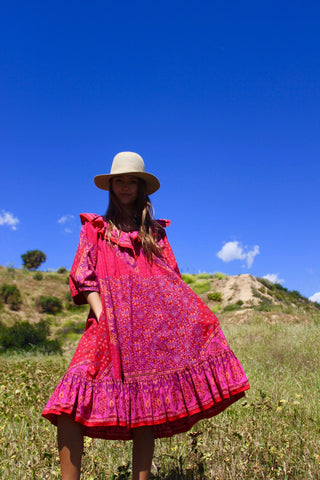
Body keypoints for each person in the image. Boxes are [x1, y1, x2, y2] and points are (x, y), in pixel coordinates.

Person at [42, 151, 250, 480]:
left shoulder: (156, 234)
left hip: (148, 331)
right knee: (69, 403)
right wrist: (104, 315)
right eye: (120, 181)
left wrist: (196, 318)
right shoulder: (95, 230)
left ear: (142, 187)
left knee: (146, 407)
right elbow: (84, 277)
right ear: (111, 186)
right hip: (106, 325)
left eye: (132, 181)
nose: (126, 186)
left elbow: (172, 282)